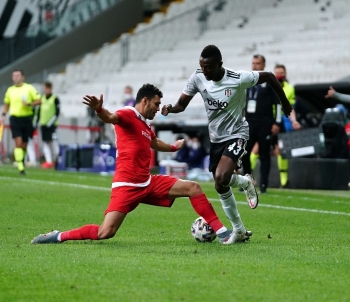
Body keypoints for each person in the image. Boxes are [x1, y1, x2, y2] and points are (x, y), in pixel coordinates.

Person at [31, 84, 246, 245]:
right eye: (156, 104)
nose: (157, 108)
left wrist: (172, 148)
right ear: (145, 101)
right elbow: (110, 117)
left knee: (193, 188)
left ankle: (221, 232)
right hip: (126, 185)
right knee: (105, 232)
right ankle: (58, 236)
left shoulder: (144, 124)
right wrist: (98, 109)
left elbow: (153, 142)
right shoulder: (128, 114)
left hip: (148, 182)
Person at [161, 45, 292, 235]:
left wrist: (285, 102)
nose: (205, 71)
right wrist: (170, 108)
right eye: (202, 66)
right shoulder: (197, 77)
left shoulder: (238, 78)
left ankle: (246, 189)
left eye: (209, 67)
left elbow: (270, 76)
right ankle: (239, 223)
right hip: (216, 138)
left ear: (220, 64)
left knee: (221, 177)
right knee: (219, 183)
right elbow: (182, 104)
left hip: (238, 133)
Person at [241, 55, 282, 194]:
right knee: (244, 153)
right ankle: (246, 182)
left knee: (264, 154)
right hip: (249, 123)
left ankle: (264, 184)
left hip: (265, 123)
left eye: (258, 63)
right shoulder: (247, 82)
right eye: (253, 63)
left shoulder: (270, 82)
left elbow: (278, 104)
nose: (254, 66)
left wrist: (277, 122)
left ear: (263, 65)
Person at [0, 69, 41, 175]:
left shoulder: (29, 88)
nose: (15, 77)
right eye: (14, 76)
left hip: (27, 119)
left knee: (24, 144)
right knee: (18, 142)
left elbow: (39, 100)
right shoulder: (10, 90)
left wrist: (29, 104)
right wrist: (3, 115)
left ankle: (21, 160)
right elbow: (7, 104)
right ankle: (21, 167)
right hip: (15, 119)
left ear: (23, 77)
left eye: (18, 75)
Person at [273, 64, 301, 188]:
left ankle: (284, 181)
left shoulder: (289, 88)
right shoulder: (269, 87)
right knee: (257, 149)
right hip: (269, 119)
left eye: (281, 72)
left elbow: (290, 107)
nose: (279, 74)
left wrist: (294, 121)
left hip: (282, 121)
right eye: (277, 72)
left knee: (281, 150)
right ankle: (248, 177)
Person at [35, 81, 60, 168]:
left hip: (52, 126)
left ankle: (57, 160)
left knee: (54, 142)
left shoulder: (55, 98)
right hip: (43, 125)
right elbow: (39, 112)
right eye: (45, 88)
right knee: (45, 143)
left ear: (51, 89)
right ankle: (48, 161)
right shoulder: (42, 98)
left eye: (48, 88)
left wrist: (50, 122)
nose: (47, 90)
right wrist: (36, 122)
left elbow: (57, 112)